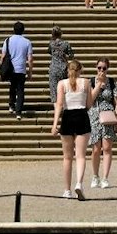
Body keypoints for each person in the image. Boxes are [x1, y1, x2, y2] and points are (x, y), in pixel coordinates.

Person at [51, 58, 92, 199]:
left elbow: (59, 105)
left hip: (68, 117)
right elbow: (89, 104)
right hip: (81, 116)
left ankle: (67, 190)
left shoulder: (62, 84)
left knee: (67, 158)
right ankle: (79, 183)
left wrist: (55, 124)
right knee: (80, 155)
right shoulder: (86, 82)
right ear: (80, 70)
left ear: (68, 71)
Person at [87, 58, 117, 189]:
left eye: (104, 68)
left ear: (107, 69)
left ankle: (105, 178)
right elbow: (90, 99)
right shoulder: (90, 81)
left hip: (108, 117)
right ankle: (95, 176)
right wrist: (99, 84)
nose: (101, 70)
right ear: (96, 68)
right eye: (99, 68)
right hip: (94, 117)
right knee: (95, 150)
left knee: (107, 148)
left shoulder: (112, 82)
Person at [2, 21, 32, 118]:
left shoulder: (7, 40)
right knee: (20, 90)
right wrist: (30, 71)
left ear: (14, 30)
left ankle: (11, 105)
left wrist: (1, 68)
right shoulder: (27, 42)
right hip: (21, 69)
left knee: (12, 87)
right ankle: (18, 112)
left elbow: (2, 56)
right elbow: (30, 59)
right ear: (23, 30)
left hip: (11, 69)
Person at [45, 26, 73, 108]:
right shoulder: (66, 44)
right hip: (63, 68)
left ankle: (57, 110)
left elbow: (49, 52)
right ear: (61, 33)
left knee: (54, 90)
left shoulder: (51, 44)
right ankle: (64, 108)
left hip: (53, 68)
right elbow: (71, 55)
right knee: (64, 89)